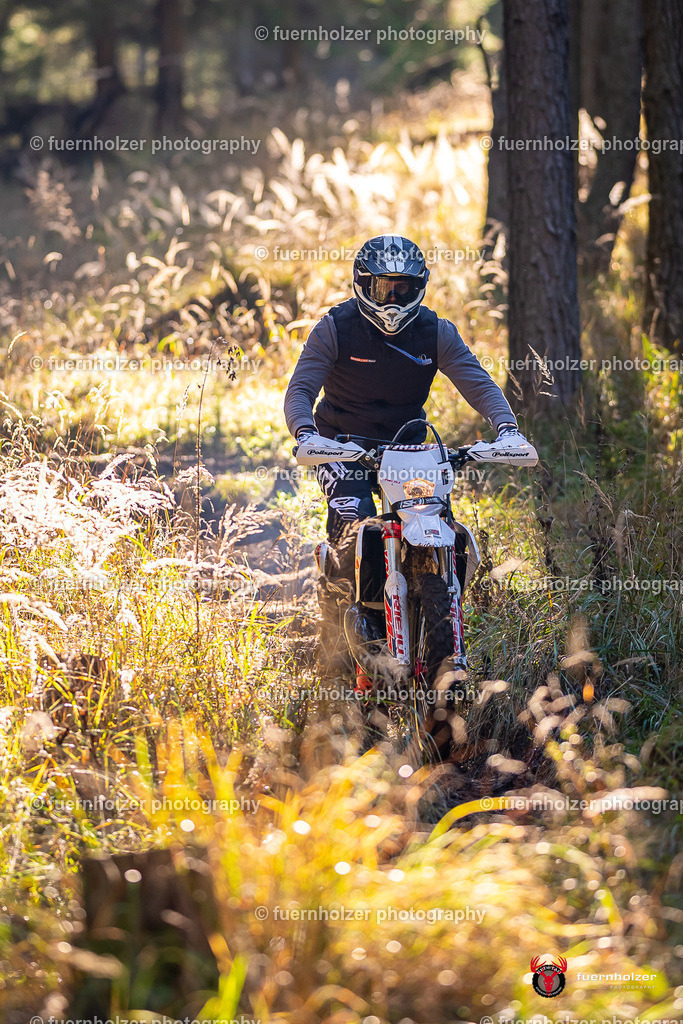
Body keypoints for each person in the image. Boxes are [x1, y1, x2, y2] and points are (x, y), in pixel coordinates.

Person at [283, 233, 532, 673]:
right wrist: (306, 435)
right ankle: (338, 641)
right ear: (363, 283)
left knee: (439, 524)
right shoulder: (336, 327)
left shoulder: (434, 332)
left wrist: (507, 430)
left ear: (420, 286)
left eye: (404, 288)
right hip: (341, 443)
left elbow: (479, 383)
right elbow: (300, 389)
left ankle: (438, 623)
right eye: (384, 288)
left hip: (407, 443)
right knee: (352, 522)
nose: (393, 298)